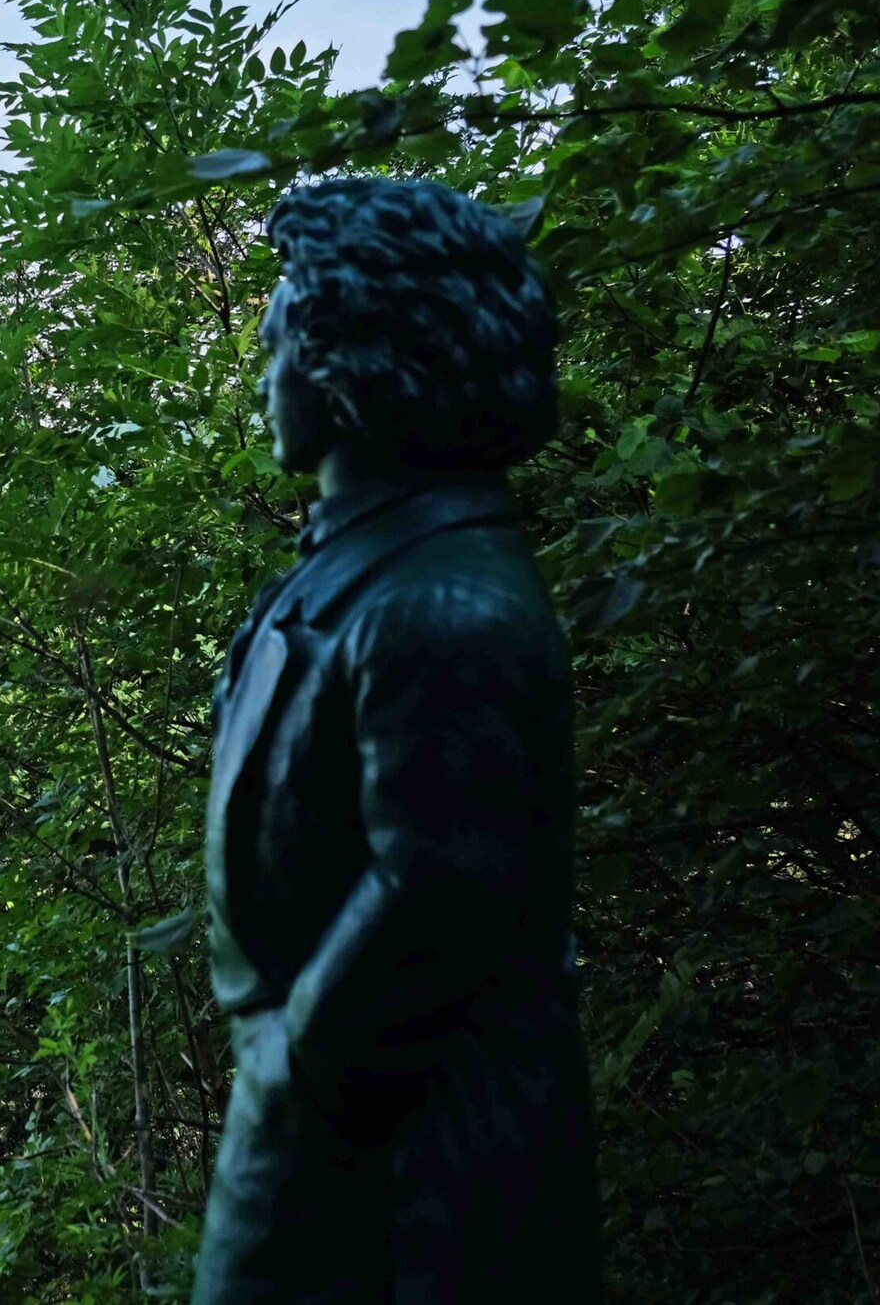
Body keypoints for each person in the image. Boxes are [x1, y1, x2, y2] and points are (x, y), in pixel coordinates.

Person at [193, 177, 599, 1303]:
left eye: (276, 338)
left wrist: (292, 1056)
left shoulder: (442, 602)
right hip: (330, 1124)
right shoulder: (368, 569)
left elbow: (440, 882)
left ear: (349, 358)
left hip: (406, 1167)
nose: (264, 372)